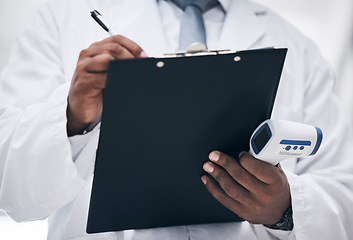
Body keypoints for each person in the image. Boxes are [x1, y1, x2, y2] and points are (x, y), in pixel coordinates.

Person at [1, 0, 353, 239]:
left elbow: (343, 197)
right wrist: (71, 117)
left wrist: (286, 208)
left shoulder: (301, 50)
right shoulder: (59, 19)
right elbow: (8, 186)